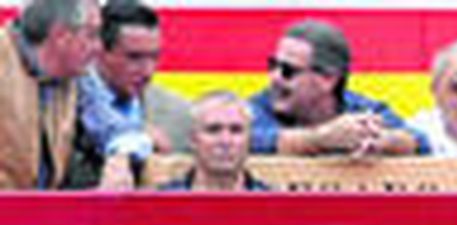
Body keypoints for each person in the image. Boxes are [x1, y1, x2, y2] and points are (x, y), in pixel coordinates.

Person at [248, 18, 428, 156]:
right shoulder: (256, 108)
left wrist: (382, 141)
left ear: (328, 79)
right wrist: (319, 140)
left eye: (288, 71)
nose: (275, 77)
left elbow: (421, 142)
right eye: (273, 66)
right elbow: (247, 140)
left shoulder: (361, 109)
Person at [69, 0, 191, 189]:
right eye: (134, 57)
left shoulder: (178, 115)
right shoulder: (63, 108)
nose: (148, 71)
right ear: (98, 52)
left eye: (154, 57)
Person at [1, 0, 100, 189]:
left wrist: (120, 157)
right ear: (61, 36)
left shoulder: (75, 74)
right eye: (91, 35)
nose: (98, 47)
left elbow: (113, 127)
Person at [159, 90, 269, 190]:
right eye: (213, 130)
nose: (225, 141)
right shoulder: (162, 201)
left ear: (249, 139)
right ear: (193, 139)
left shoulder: (272, 201)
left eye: (235, 130)